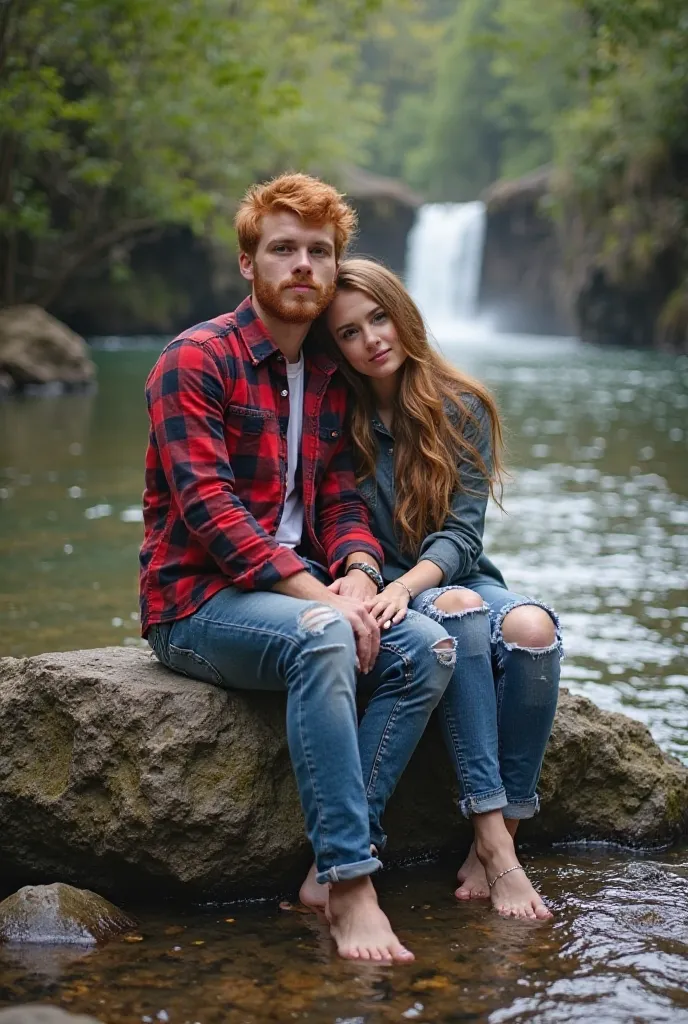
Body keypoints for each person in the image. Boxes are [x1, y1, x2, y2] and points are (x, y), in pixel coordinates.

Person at [139, 175, 456, 962]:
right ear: (249, 264)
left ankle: (323, 866)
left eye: (320, 251)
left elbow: (342, 495)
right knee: (324, 637)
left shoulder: (324, 368)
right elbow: (214, 515)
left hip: (299, 596)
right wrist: (325, 599)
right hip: (196, 603)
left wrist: (356, 568)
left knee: (427, 648)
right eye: (284, 249)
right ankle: (353, 887)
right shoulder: (196, 359)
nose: (304, 265)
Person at [316, 258, 562, 921]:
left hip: (450, 576)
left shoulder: (464, 406)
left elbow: (463, 538)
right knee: (457, 613)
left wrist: (413, 585)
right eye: (348, 333)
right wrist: (378, 583)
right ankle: (491, 840)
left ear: (403, 312)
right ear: (332, 347)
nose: (371, 338)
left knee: (534, 628)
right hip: (392, 588)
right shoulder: (335, 417)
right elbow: (342, 527)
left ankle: (505, 827)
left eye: (379, 317)